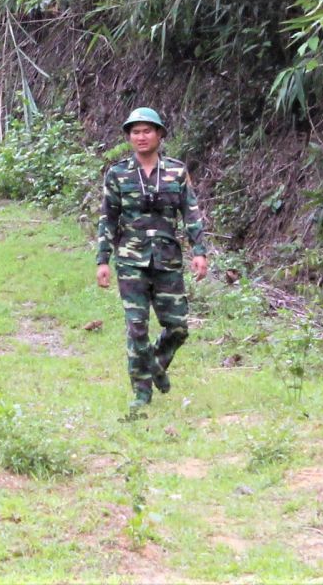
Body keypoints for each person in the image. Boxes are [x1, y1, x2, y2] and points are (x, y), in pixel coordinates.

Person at [94, 107, 208, 417]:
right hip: (131, 260)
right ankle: (141, 392)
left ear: (159, 135)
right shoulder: (118, 174)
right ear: (129, 137)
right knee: (136, 327)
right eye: (135, 132)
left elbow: (191, 213)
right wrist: (103, 260)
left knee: (178, 327)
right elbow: (108, 218)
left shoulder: (176, 171)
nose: (141, 137)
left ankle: (156, 364)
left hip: (167, 259)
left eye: (147, 131)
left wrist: (199, 251)